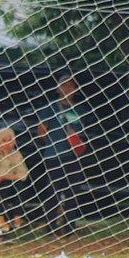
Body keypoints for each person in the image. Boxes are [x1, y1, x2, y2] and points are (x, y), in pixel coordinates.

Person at [30, 75, 87, 236]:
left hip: (73, 156)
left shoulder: (79, 109)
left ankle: (70, 228)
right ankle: (51, 228)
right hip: (54, 156)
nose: (68, 89)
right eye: (64, 85)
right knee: (53, 192)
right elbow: (41, 131)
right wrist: (53, 142)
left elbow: (82, 131)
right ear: (58, 89)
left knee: (73, 192)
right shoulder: (50, 108)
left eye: (71, 86)